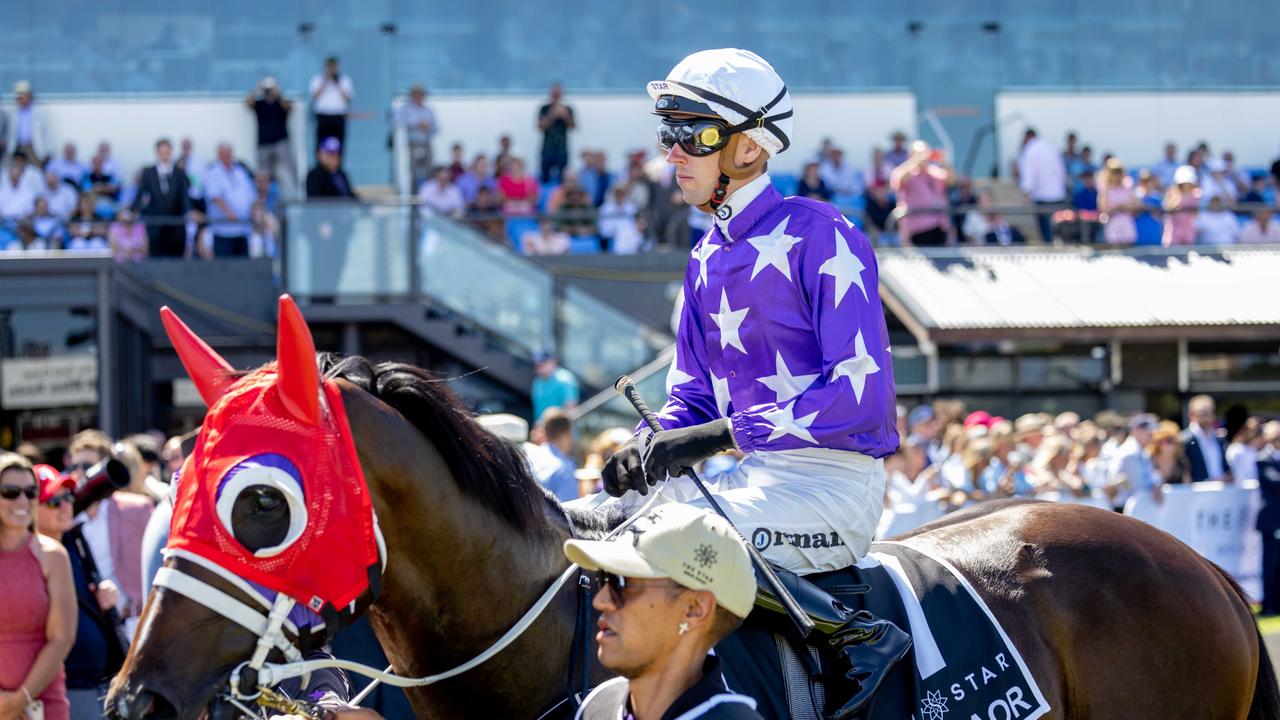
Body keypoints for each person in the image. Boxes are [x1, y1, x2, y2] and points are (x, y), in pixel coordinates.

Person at [595, 49, 909, 718]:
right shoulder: (705, 255)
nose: (672, 152)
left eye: (692, 133)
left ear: (745, 146)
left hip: (831, 484)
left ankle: (854, 634)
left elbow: (864, 398)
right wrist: (649, 442)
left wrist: (724, 434)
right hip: (753, 476)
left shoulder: (824, 232)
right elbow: (690, 398)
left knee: (689, 541)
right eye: (668, 132)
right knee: (609, 520)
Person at [565, 504, 764, 720]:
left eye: (622, 583)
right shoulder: (597, 707)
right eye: (604, 578)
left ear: (694, 609)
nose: (600, 600)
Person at [0, 455, 75, 720]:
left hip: (42, 705)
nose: (22, 501)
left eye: (31, 492)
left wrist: (20, 699)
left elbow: (62, 638)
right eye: (10, 492)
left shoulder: (53, 555)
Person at [132, 138, 191, 258]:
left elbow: (184, 196)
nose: (165, 154)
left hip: (176, 223)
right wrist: (133, 210)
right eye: (162, 151)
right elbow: (141, 194)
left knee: (176, 257)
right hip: (156, 223)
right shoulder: (149, 172)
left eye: (167, 151)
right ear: (157, 153)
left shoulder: (180, 173)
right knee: (156, 257)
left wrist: (189, 212)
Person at [890, 141, 952, 246]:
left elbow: (950, 180)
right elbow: (898, 180)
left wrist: (944, 161)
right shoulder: (906, 172)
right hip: (917, 229)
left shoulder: (933, 171)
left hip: (939, 225)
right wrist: (915, 160)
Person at [203, 143, 257, 257]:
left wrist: (252, 211)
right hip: (223, 231)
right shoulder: (213, 173)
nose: (227, 157)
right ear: (219, 155)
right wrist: (230, 215)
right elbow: (215, 198)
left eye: (229, 154)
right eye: (224, 154)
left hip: (243, 229)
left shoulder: (240, 172)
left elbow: (251, 195)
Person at [247, 76, 297, 200]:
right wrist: (258, 88)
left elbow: (289, 107)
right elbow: (248, 103)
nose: (268, 91)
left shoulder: (280, 103)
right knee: (263, 176)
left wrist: (278, 93)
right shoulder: (260, 104)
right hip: (264, 144)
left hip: (281, 143)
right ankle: (264, 201)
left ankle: (293, 198)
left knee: (287, 173)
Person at [1017, 128, 1068, 243]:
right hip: (1058, 196)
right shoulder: (1052, 148)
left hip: (1041, 198)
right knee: (1058, 230)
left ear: (1027, 137)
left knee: (1046, 234)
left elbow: (1029, 177)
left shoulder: (1030, 150)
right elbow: (1062, 173)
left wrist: (1025, 194)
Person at [396, 84, 437, 192]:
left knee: (429, 171)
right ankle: (413, 200)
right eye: (416, 94)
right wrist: (417, 124)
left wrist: (427, 127)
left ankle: (429, 196)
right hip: (413, 144)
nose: (418, 97)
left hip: (426, 143)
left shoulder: (428, 110)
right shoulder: (406, 109)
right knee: (413, 172)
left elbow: (436, 128)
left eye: (421, 94)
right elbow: (399, 122)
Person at [310, 56, 354, 158]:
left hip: (338, 116)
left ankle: (337, 167)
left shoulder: (344, 80)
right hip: (323, 116)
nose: (332, 69)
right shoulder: (318, 79)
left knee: (339, 144)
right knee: (321, 144)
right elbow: (315, 97)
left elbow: (348, 98)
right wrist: (325, 81)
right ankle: (321, 167)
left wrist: (337, 83)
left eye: (334, 66)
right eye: (330, 66)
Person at [1184, 395, 1230, 483]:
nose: (1207, 418)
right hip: (1197, 494)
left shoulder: (1219, 440)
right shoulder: (1185, 440)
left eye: (1210, 412)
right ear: (1191, 414)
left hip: (1222, 492)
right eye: (1202, 413)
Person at [538, 82, 576, 184]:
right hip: (547, 148)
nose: (556, 94)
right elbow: (540, 127)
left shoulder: (568, 109)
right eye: (554, 92)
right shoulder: (544, 109)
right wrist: (552, 115)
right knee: (544, 178)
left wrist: (565, 116)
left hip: (562, 149)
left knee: (563, 179)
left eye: (558, 92)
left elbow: (573, 126)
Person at [8, 80, 50, 164]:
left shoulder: (39, 111)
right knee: (17, 172)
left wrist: (48, 150)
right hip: (18, 147)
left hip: (33, 147)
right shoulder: (13, 112)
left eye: (23, 97)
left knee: (37, 170)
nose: (20, 100)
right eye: (18, 98)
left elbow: (47, 132)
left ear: (29, 96)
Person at [1098, 158, 1137, 244]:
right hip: (1112, 224)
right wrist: (1117, 208)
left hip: (1127, 223)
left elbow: (1135, 205)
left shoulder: (1128, 186)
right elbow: (1104, 208)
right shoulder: (1105, 189)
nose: (1117, 175)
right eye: (1114, 172)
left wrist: (1123, 207)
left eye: (1119, 172)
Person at [531, 351, 579, 420]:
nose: (540, 367)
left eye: (543, 363)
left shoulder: (565, 379)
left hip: (561, 427)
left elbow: (570, 407)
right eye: (537, 365)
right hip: (543, 426)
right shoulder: (537, 382)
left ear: (552, 362)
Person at [1162, 165, 1200, 246]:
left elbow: (1196, 214)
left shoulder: (1195, 195)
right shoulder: (1171, 194)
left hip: (1188, 231)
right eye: (1184, 183)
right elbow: (1168, 209)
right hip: (1173, 232)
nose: (1186, 185)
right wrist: (1177, 199)